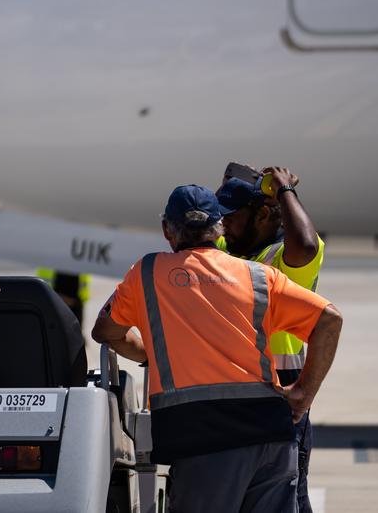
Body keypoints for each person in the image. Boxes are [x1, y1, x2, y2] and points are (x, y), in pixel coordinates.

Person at [92, 185, 342, 513]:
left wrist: (150, 351)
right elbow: (329, 320)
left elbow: (106, 332)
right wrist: (303, 393)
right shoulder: (259, 276)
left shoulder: (148, 273)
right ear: (219, 227)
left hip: (203, 440)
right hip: (272, 439)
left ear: (167, 229)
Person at [216, 165, 324, 513]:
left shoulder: (286, 259)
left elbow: (306, 244)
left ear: (263, 214)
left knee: (288, 503)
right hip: (231, 399)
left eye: (231, 218)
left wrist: (285, 191)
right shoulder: (230, 247)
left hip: (281, 402)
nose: (224, 226)